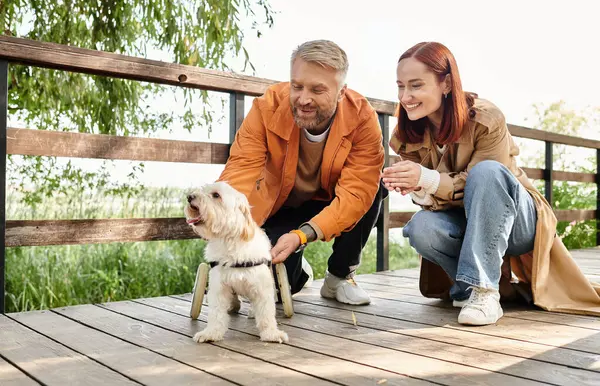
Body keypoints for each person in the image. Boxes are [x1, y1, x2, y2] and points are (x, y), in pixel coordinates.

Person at [382, 41, 600, 325]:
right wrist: (415, 188)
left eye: (416, 85)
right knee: (420, 227)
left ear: (446, 83)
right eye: (401, 86)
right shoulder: (406, 135)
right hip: (463, 219)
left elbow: (488, 180)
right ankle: (467, 286)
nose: (406, 96)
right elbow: (434, 201)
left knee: (486, 172)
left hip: (518, 223)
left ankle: (484, 291)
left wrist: (426, 179)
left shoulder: (486, 118)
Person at [218, 39, 386, 305]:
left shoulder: (363, 117)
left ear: (341, 92)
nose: (304, 99)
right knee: (274, 285)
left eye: (318, 90)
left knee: (375, 188)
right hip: (282, 204)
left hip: (334, 198)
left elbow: (357, 192)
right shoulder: (267, 107)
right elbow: (241, 170)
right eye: (297, 87)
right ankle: (299, 273)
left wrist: (302, 236)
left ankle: (340, 276)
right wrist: (222, 216)